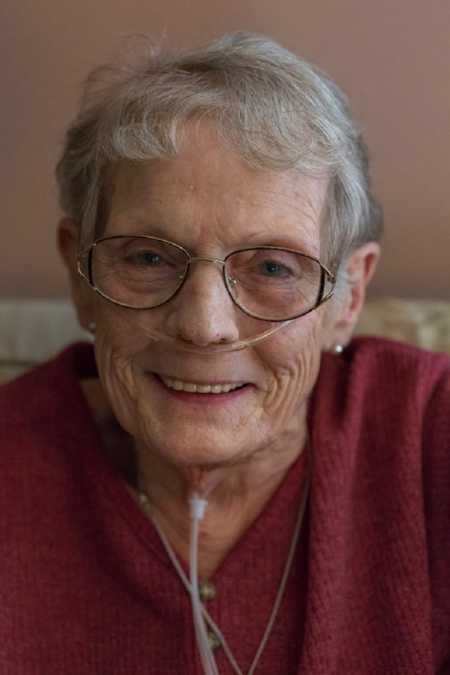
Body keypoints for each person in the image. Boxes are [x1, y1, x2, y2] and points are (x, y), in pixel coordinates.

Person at [1, 32, 449, 675]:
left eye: (272, 267)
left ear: (348, 295)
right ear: (80, 276)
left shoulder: (430, 432)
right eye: (148, 258)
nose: (204, 326)